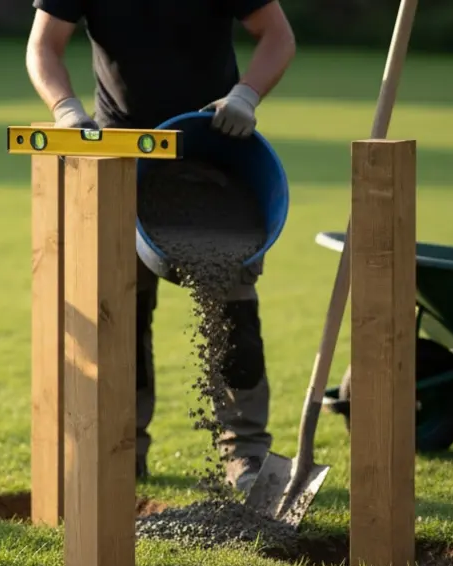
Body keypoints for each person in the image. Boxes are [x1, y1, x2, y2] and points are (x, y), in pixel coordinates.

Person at [24, 0, 297, 493]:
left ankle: (246, 458)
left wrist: (246, 95)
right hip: (121, 160)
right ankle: (122, 449)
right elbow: (43, 46)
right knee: (121, 316)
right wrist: (66, 110)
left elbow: (277, 35)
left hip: (213, 158)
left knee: (235, 318)